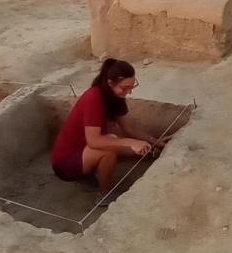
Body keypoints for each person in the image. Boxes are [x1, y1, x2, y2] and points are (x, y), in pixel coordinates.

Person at [51, 58, 170, 202]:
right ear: (110, 83)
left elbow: (129, 128)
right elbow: (94, 141)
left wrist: (154, 141)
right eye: (125, 87)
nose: (129, 92)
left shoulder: (114, 97)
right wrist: (131, 142)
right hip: (65, 163)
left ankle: (88, 174)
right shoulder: (93, 98)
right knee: (109, 149)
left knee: (120, 142)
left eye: (132, 86)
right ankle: (105, 195)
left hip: (84, 151)